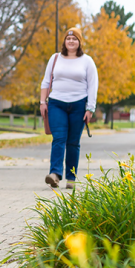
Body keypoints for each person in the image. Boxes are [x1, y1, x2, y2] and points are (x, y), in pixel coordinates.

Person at [39, 27, 98, 190]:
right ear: (64, 41)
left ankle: (71, 178)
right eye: (68, 38)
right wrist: (42, 102)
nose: (71, 41)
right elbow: (46, 81)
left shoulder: (87, 61)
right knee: (58, 138)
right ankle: (55, 174)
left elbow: (93, 86)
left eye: (75, 39)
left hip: (79, 105)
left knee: (73, 142)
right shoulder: (55, 58)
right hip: (57, 103)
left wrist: (90, 108)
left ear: (79, 42)